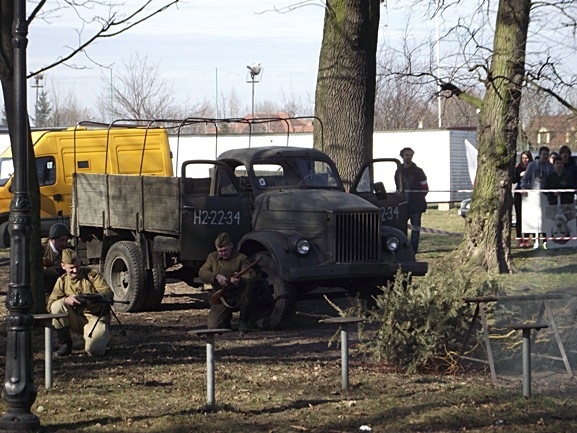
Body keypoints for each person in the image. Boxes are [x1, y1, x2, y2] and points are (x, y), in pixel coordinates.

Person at [47, 248, 114, 356]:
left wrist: (94, 299)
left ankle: (99, 337)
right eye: (71, 268)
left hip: (95, 318)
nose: (75, 270)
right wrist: (66, 300)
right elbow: (50, 305)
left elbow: (107, 293)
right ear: (63, 266)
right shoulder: (62, 281)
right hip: (76, 317)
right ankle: (65, 344)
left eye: (78, 266)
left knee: (95, 350)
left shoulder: (92, 275)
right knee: (57, 306)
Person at [198, 232, 254, 334]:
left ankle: (244, 322)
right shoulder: (212, 258)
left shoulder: (241, 258)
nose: (223, 253)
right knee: (213, 327)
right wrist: (216, 276)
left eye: (225, 250)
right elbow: (202, 273)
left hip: (238, 295)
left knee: (248, 285)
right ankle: (226, 319)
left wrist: (240, 280)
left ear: (231, 246)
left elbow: (250, 275)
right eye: (220, 251)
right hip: (222, 297)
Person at [395, 147, 428, 254]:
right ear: (402, 156)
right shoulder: (398, 171)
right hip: (403, 205)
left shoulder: (419, 171)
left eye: (410, 155)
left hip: (416, 205)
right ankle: (403, 249)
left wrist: (418, 197)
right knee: (401, 228)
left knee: (415, 229)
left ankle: (413, 250)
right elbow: (397, 187)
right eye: (406, 155)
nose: (408, 157)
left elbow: (425, 188)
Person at [43, 223, 71, 295]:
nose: (64, 243)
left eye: (66, 240)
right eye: (61, 240)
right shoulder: (41, 250)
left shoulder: (67, 251)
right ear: (52, 239)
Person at [512, 151, 533, 248]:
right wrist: (519, 175)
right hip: (519, 194)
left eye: (527, 158)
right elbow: (513, 180)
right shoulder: (518, 167)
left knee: (528, 217)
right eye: (523, 158)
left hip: (530, 195)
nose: (525, 160)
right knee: (519, 217)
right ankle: (519, 239)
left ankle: (527, 239)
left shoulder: (533, 167)